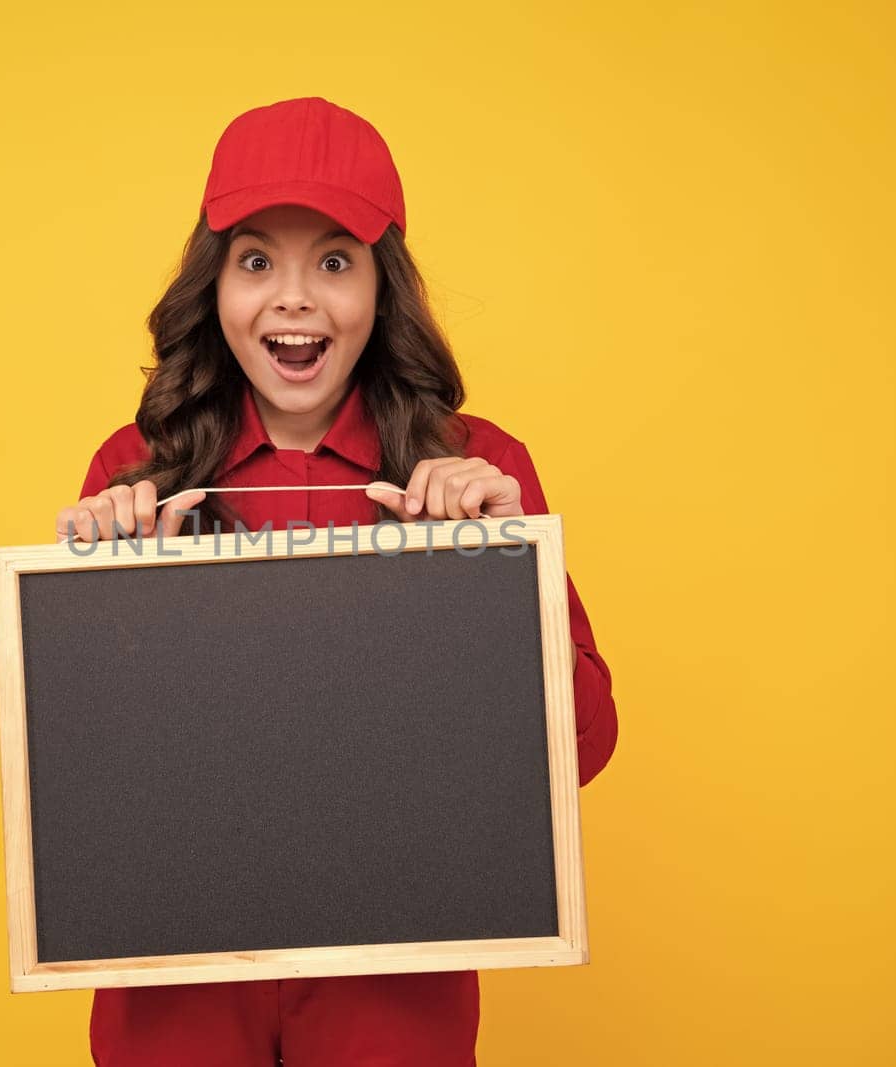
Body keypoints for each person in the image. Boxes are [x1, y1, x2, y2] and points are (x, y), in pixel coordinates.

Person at [52, 96, 619, 1067]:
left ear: (381, 288)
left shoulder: (479, 467)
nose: (294, 299)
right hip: (178, 977)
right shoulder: (137, 465)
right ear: (215, 283)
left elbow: (586, 744)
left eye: (334, 260)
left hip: (394, 978)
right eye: (257, 259)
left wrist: (499, 560)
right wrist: (91, 595)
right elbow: (90, 777)